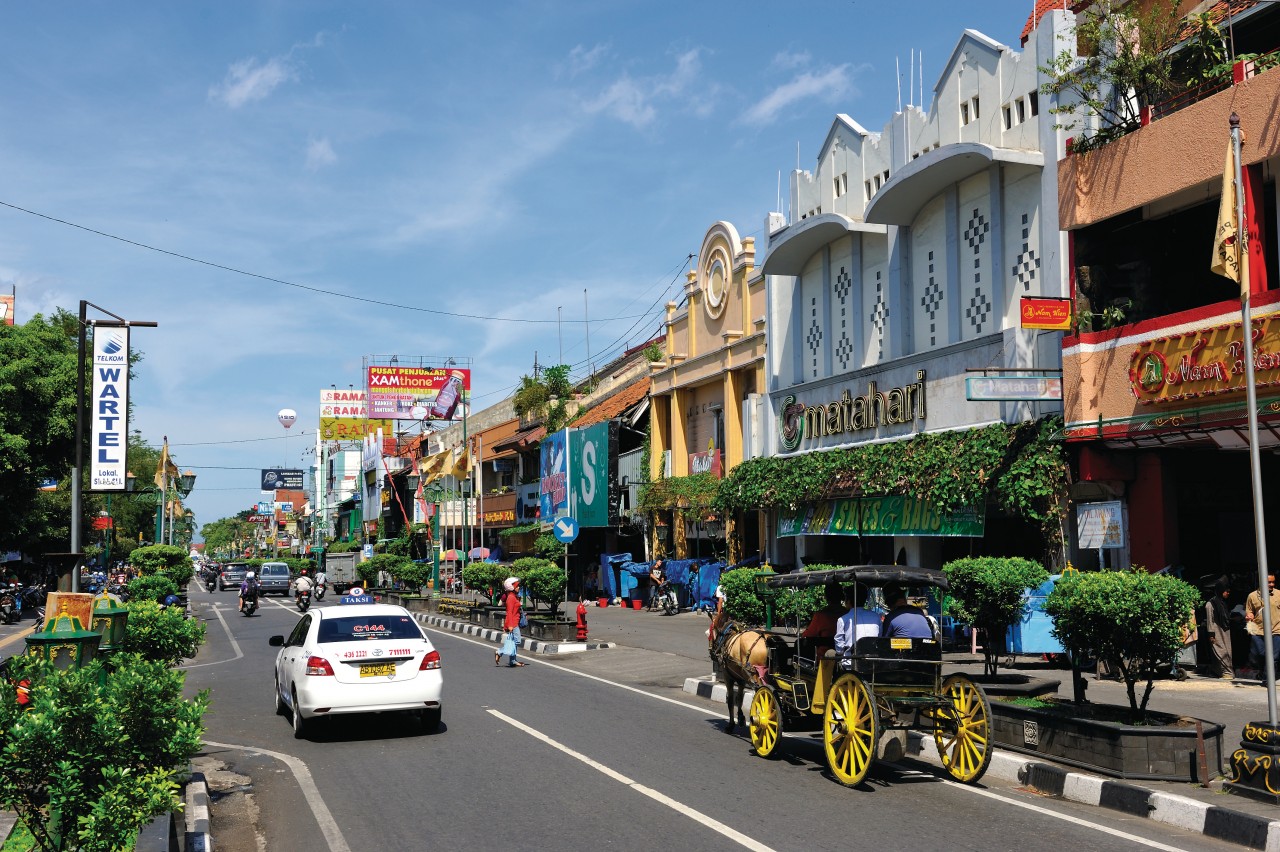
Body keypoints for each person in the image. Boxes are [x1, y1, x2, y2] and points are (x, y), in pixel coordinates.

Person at [1245, 573, 1280, 678]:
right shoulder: (1252, 596)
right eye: (1269, 582)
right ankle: (1263, 673)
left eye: (1273, 582)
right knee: (1261, 654)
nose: (1272, 584)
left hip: (1276, 630)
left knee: (1274, 657)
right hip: (1258, 631)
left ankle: (1267, 678)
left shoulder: (1279, 594)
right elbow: (1249, 611)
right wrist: (1249, 616)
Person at [835, 585, 883, 657]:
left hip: (850, 664)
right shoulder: (876, 617)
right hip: (873, 662)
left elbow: (839, 650)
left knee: (830, 653)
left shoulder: (842, 620)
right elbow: (880, 638)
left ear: (848, 601)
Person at [799, 583, 843, 656]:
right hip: (845, 655)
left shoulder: (820, 615)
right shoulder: (848, 614)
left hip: (825, 658)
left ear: (826, 597)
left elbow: (808, 635)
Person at [1206, 576, 1235, 679]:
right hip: (1216, 631)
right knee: (1220, 650)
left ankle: (1219, 671)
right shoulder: (1211, 604)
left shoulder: (1222, 603)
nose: (1228, 593)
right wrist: (1211, 634)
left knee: (1227, 650)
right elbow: (1210, 620)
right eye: (1226, 591)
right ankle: (1227, 672)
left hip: (1225, 630)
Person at [498, 577, 527, 667]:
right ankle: (500, 652)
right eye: (517, 586)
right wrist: (510, 625)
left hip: (515, 621)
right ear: (511, 587)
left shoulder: (514, 596)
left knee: (515, 641)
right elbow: (509, 612)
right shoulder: (510, 597)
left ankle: (512, 661)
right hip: (513, 623)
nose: (518, 588)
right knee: (517, 641)